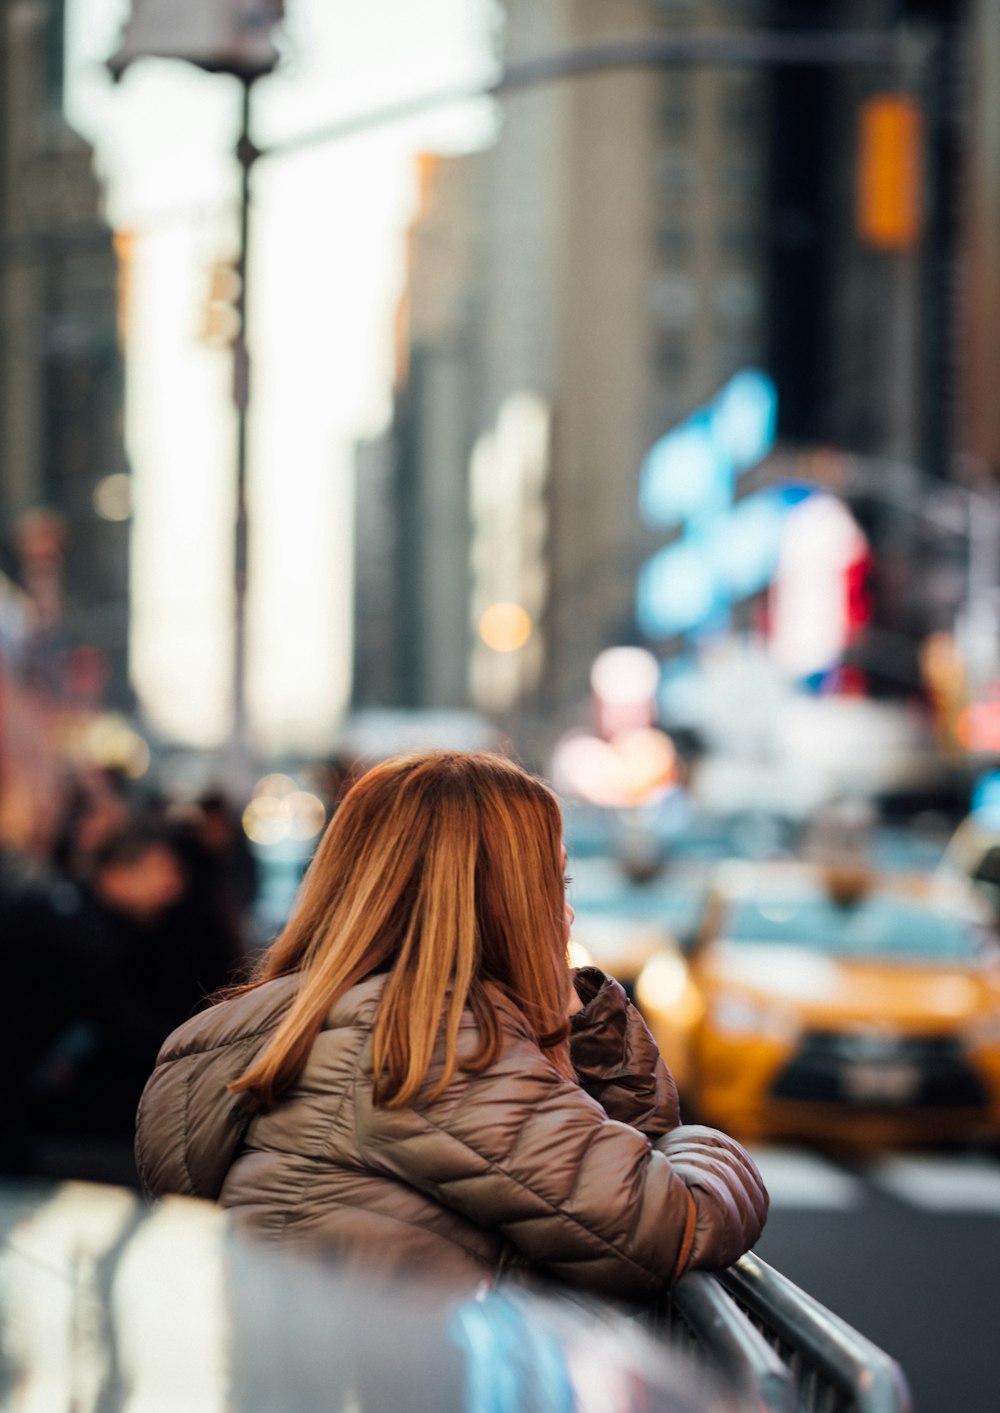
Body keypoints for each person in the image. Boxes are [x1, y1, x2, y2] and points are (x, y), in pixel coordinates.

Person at [136, 752, 767, 1301]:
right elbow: (667, 1223)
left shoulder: (339, 1021)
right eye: (554, 882)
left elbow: (606, 1167)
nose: (567, 911)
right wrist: (694, 1150)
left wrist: (581, 1028)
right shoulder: (427, 1047)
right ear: (501, 899)